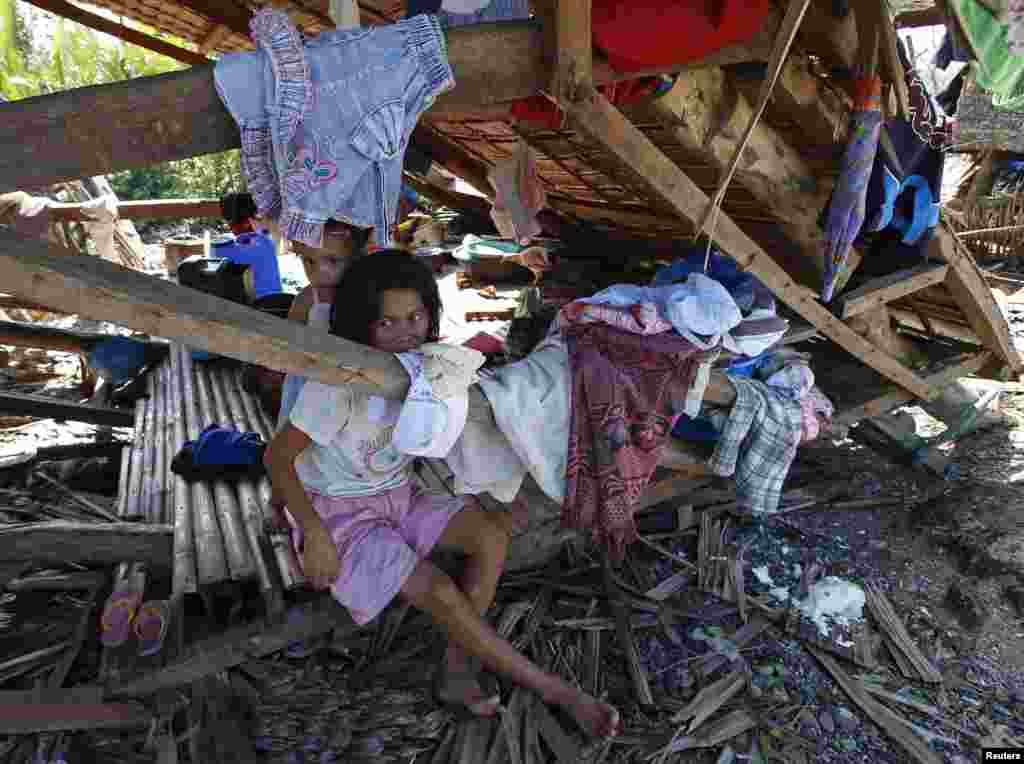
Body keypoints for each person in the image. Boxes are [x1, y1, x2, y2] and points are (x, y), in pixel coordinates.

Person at [264, 251, 619, 738]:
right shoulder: (339, 384)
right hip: (338, 513)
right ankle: (556, 691)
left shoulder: (427, 370)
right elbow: (276, 459)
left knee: (491, 537)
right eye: (385, 322)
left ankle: (456, 668)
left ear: (431, 313)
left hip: (398, 494)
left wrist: (492, 493)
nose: (405, 333)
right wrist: (314, 533)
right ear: (360, 324)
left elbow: (446, 438)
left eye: (415, 317)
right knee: (439, 592)